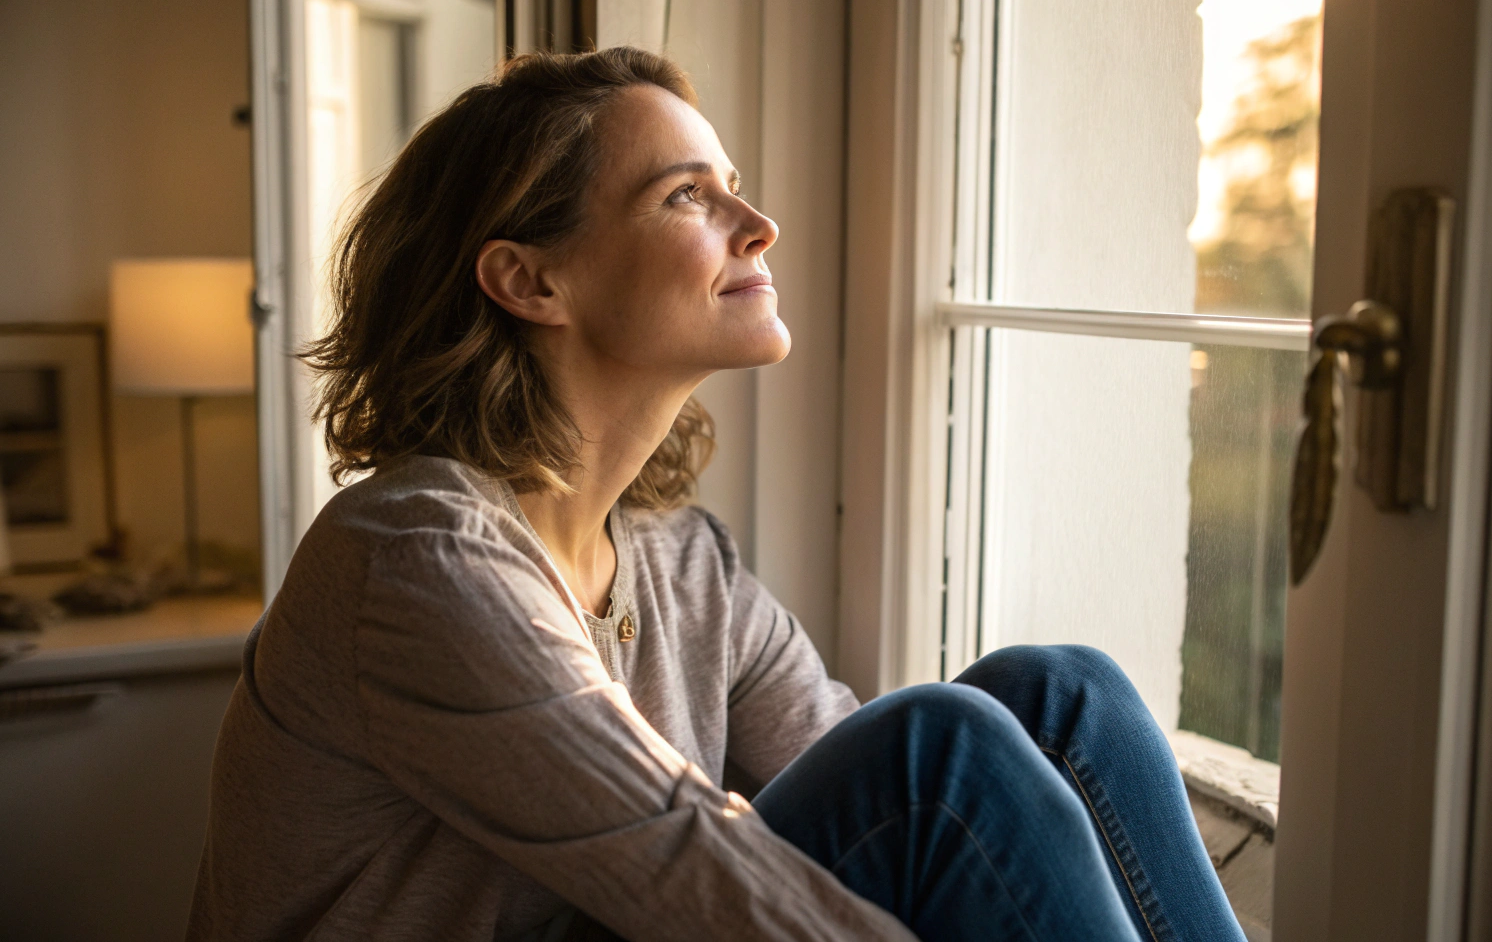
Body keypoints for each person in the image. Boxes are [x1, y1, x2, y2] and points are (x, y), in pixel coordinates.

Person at [186, 47, 1246, 942]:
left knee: (1061, 693)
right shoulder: (412, 554)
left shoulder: (680, 559)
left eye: (730, 182)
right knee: (945, 750)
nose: (758, 223)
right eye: (687, 194)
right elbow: (688, 859)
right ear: (529, 280)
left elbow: (873, 803)